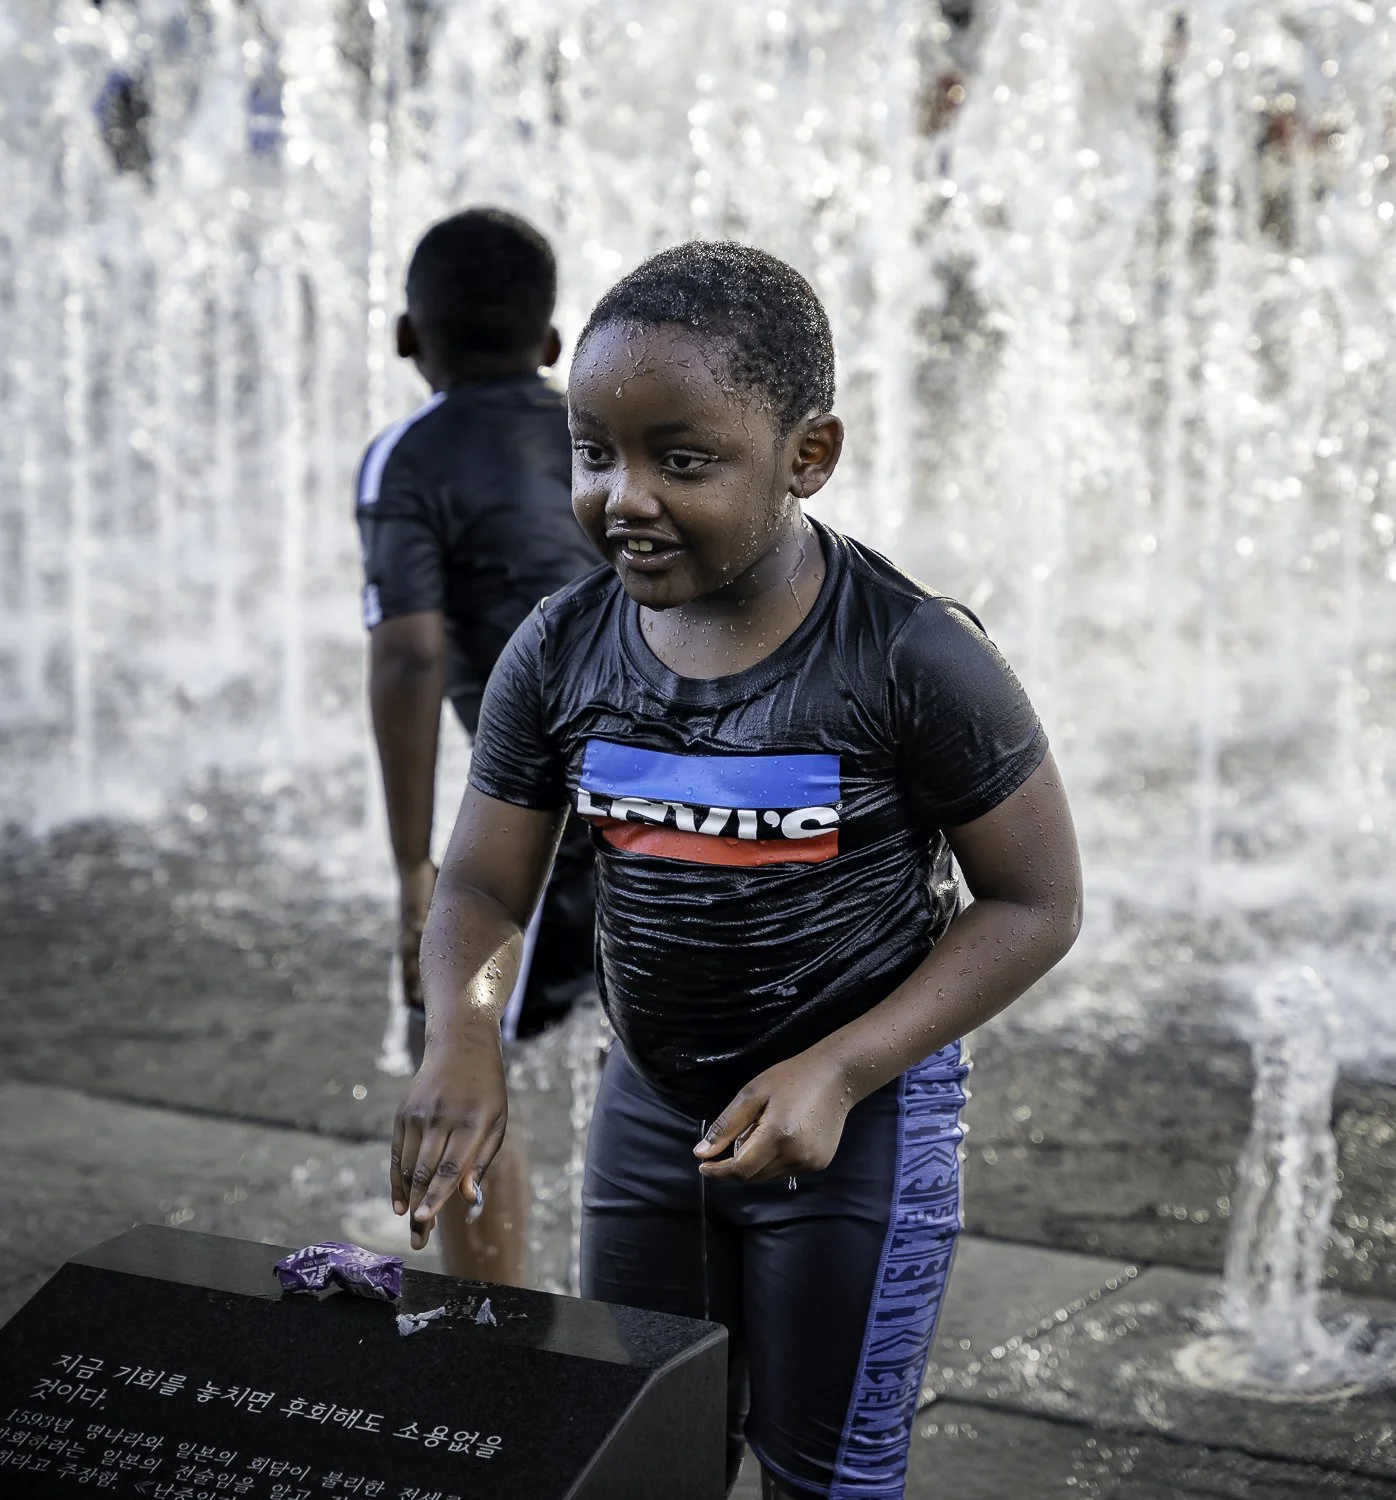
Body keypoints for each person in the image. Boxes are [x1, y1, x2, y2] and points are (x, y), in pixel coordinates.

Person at [389, 242, 1083, 1499]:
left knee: (825, 1473)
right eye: (594, 453)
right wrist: (465, 1034)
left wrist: (841, 1066)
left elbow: (1036, 902)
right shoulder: (564, 646)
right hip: (650, 1115)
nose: (624, 496)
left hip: (855, 1130)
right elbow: (487, 888)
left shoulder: (909, 654)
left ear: (806, 457)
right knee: (641, 1445)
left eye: (682, 459)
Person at [356, 207, 599, 1285]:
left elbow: (409, 658)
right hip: (665, 799)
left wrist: (417, 867)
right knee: (657, 1036)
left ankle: (487, 1321)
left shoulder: (409, 455)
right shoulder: (602, 430)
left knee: (455, 1032)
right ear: (553, 346)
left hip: (536, 829)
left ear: (409, 338)